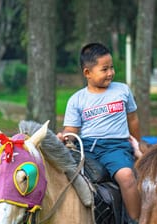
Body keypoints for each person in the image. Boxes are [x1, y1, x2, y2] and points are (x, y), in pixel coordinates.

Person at [57, 42, 140, 222]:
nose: (110, 73)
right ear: (87, 73)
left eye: (112, 68)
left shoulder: (122, 90)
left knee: (126, 176)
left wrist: (136, 145)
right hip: (87, 148)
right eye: (104, 69)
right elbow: (72, 130)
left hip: (116, 147)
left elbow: (133, 119)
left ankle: (135, 219)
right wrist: (64, 137)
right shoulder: (77, 99)